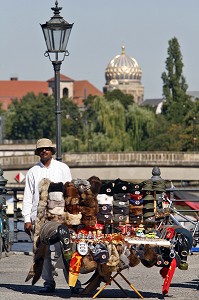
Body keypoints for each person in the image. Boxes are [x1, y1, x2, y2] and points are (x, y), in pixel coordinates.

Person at [22, 138, 82, 294]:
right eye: (41, 149)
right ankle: (48, 282)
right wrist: (27, 219)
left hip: (59, 215)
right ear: (38, 152)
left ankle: (73, 282)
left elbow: (70, 193)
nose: (44, 151)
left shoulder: (62, 168)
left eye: (47, 149)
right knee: (43, 252)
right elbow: (28, 196)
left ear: (52, 151)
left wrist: (71, 216)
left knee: (66, 248)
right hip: (40, 217)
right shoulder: (32, 172)